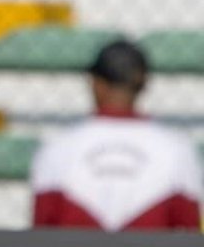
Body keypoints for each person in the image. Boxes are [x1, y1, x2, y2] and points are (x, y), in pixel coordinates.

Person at [31, 38, 202, 231]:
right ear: (144, 83)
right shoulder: (178, 149)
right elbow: (189, 236)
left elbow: (41, 236)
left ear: (96, 83)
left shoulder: (56, 148)